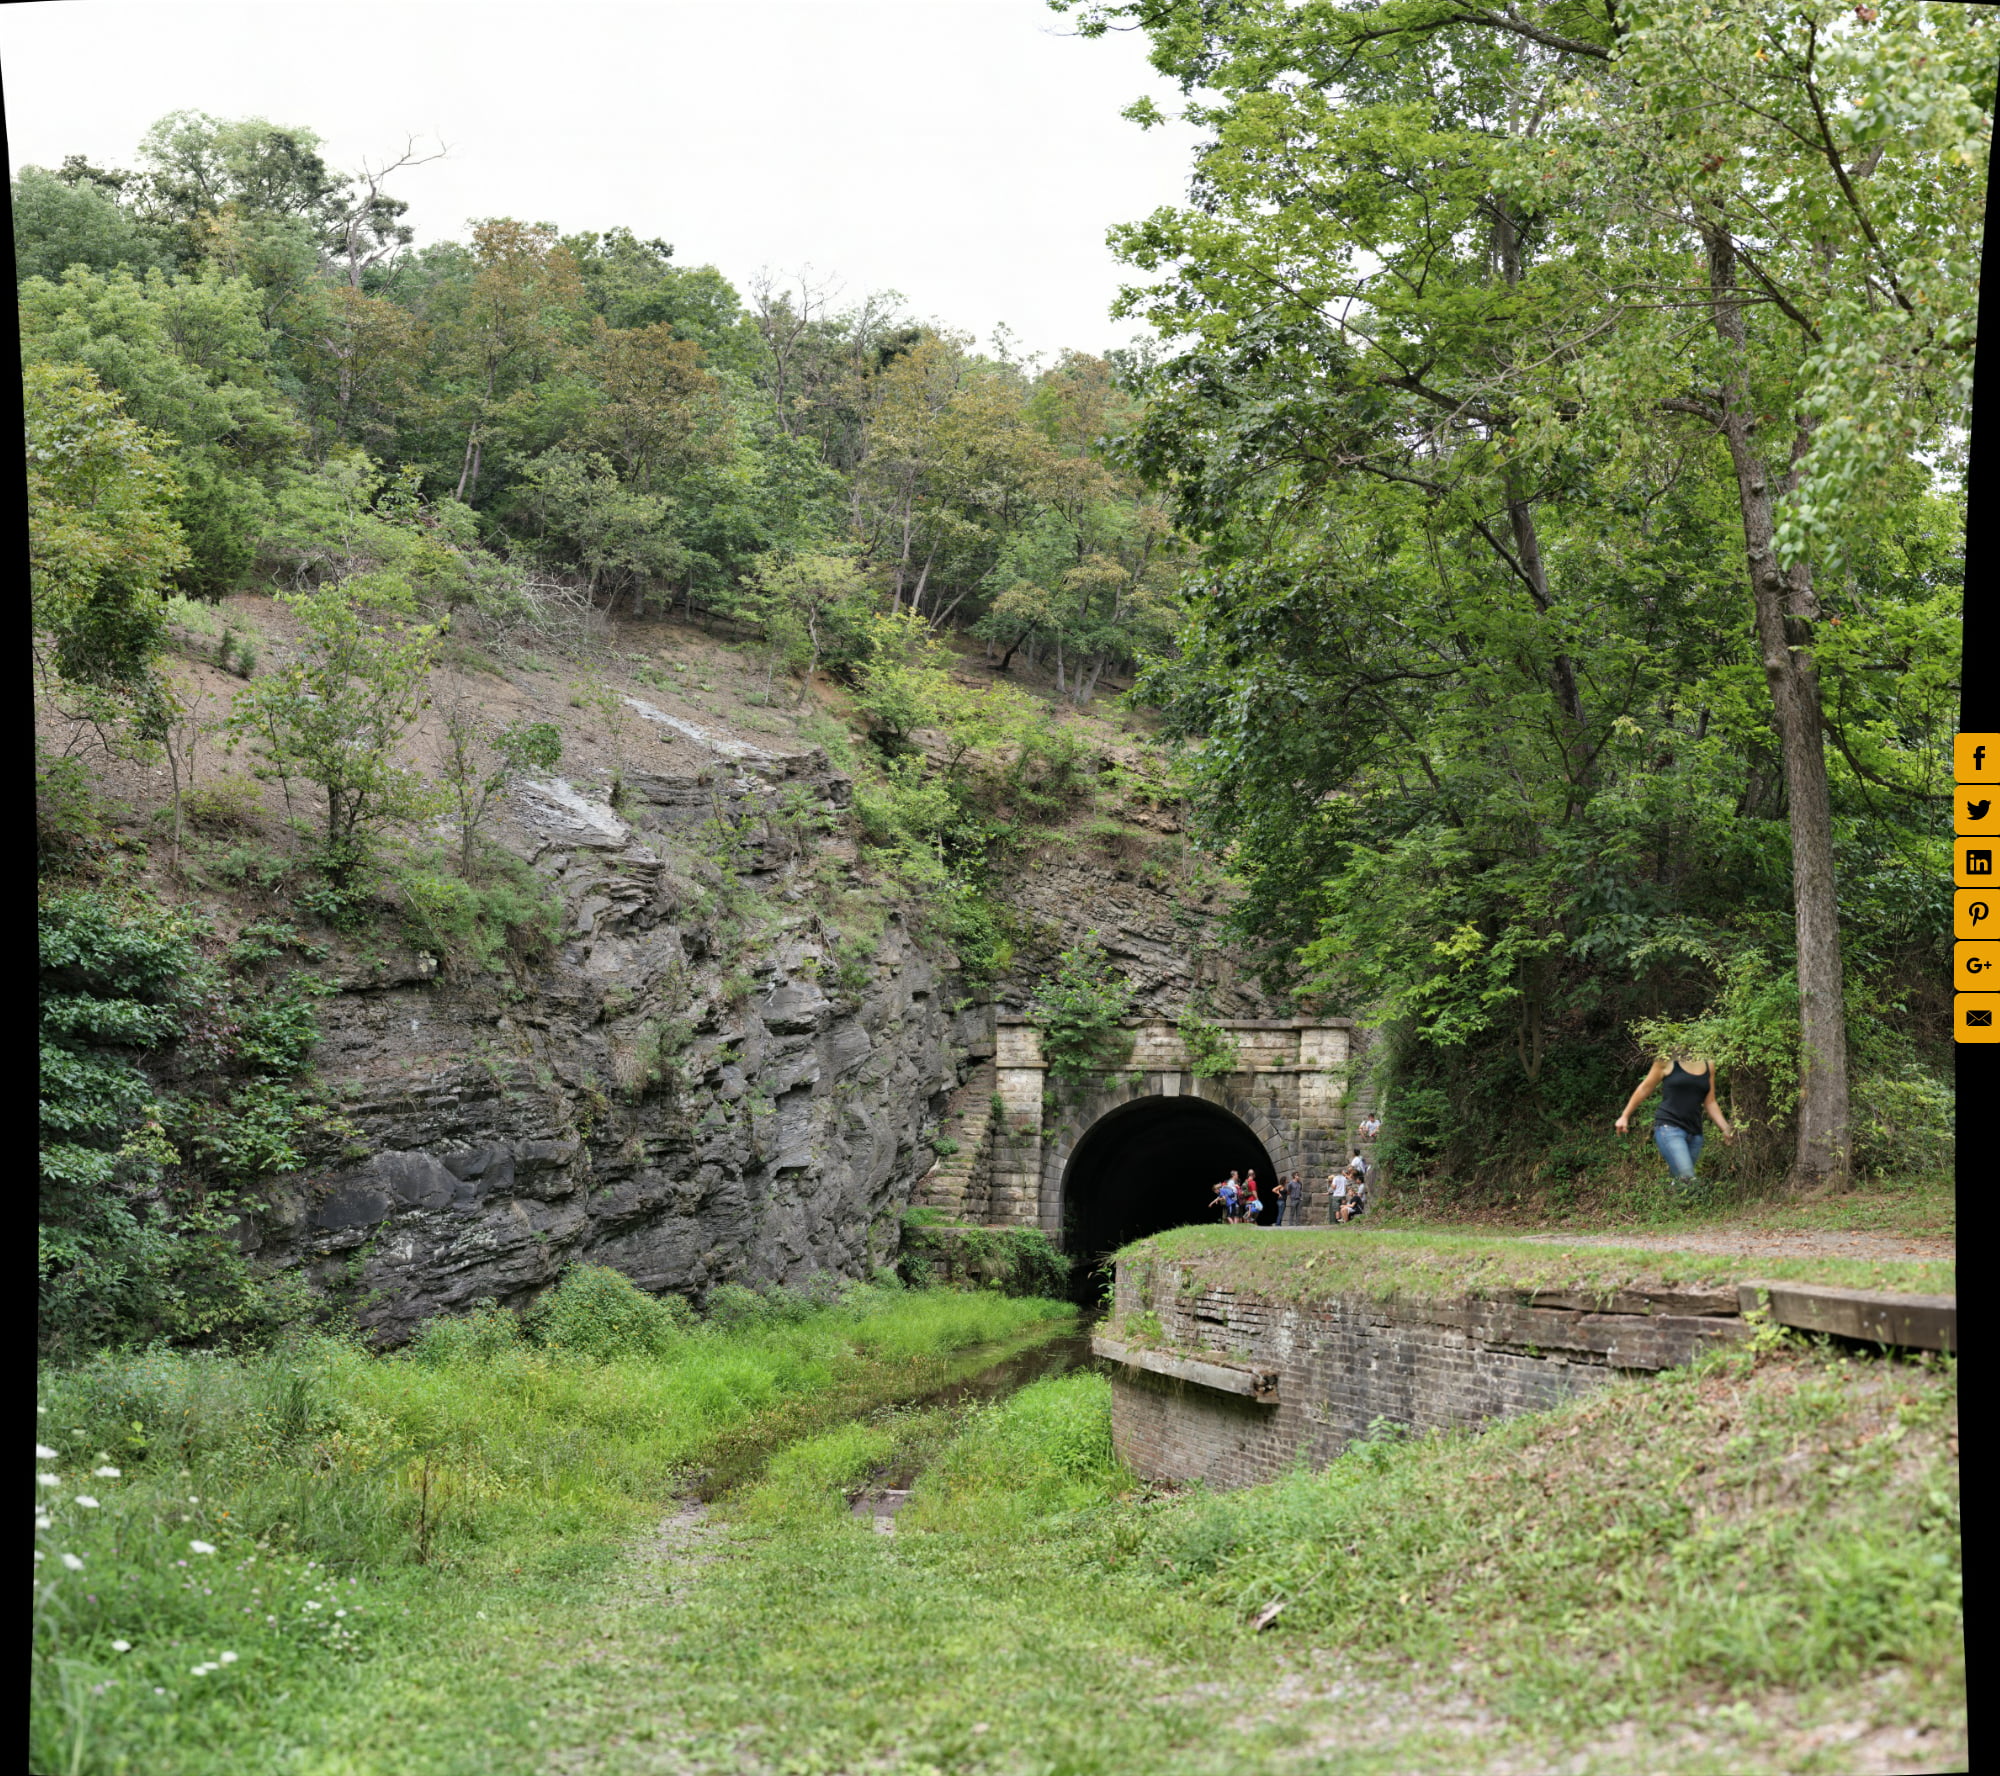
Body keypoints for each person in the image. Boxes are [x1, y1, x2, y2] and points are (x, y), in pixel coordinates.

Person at [1615, 1052, 1734, 1188]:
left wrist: (1725, 1128)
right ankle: (1688, 1202)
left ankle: (1671, 1201)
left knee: (1680, 1180)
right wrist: (1625, 1116)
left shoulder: (1708, 1063)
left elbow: (1710, 1101)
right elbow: (1644, 1088)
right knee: (1688, 1179)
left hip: (1695, 1132)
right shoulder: (1666, 1061)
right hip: (1669, 1128)